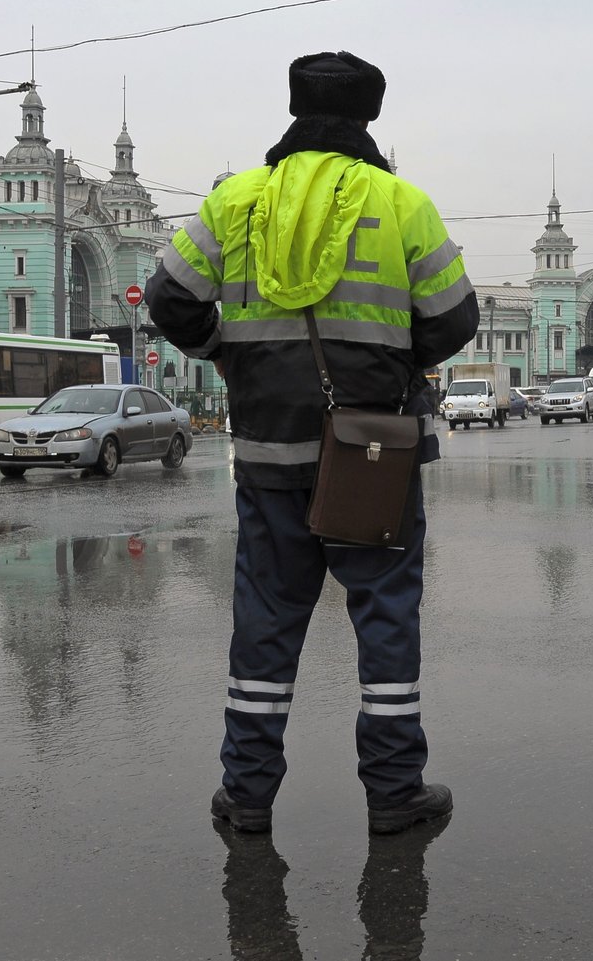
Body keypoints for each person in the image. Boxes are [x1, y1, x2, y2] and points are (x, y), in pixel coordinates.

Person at [146, 51, 478, 836]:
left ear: (295, 106)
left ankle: (248, 795)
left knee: (264, 623)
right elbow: (457, 318)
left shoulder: (236, 202)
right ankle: (396, 792)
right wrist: (396, 352)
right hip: (374, 455)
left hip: (267, 458)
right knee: (386, 617)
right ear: (369, 115)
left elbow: (167, 298)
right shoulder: (401, 203)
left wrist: (226, 348)